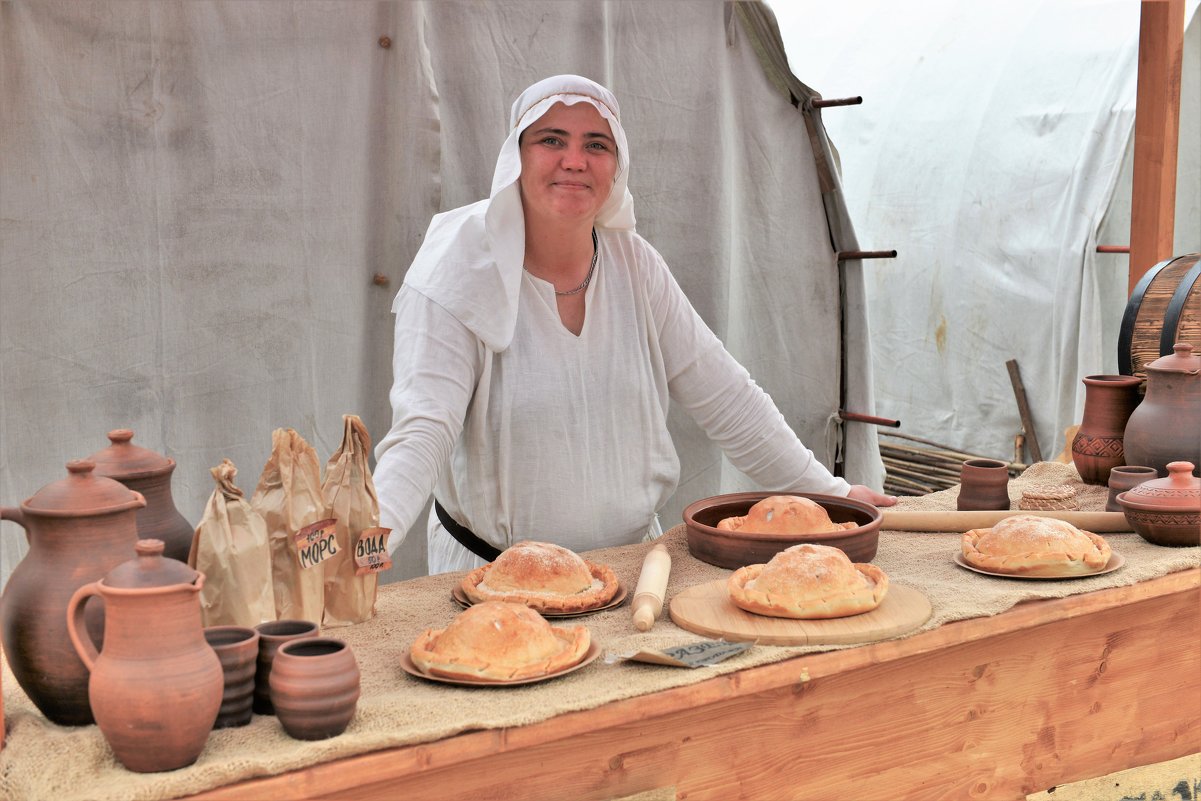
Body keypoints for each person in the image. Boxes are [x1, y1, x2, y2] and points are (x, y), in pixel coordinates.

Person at [373, 74, 895, 574]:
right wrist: (371, 534)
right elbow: (424, 427)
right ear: (516, 154)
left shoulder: (634, 266)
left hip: (631, 574)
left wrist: (834, 496)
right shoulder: (457, 269)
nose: (574, 160)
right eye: (551, 139)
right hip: (493, 583)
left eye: (596, 144)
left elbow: (728, 398)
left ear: (617, 164)